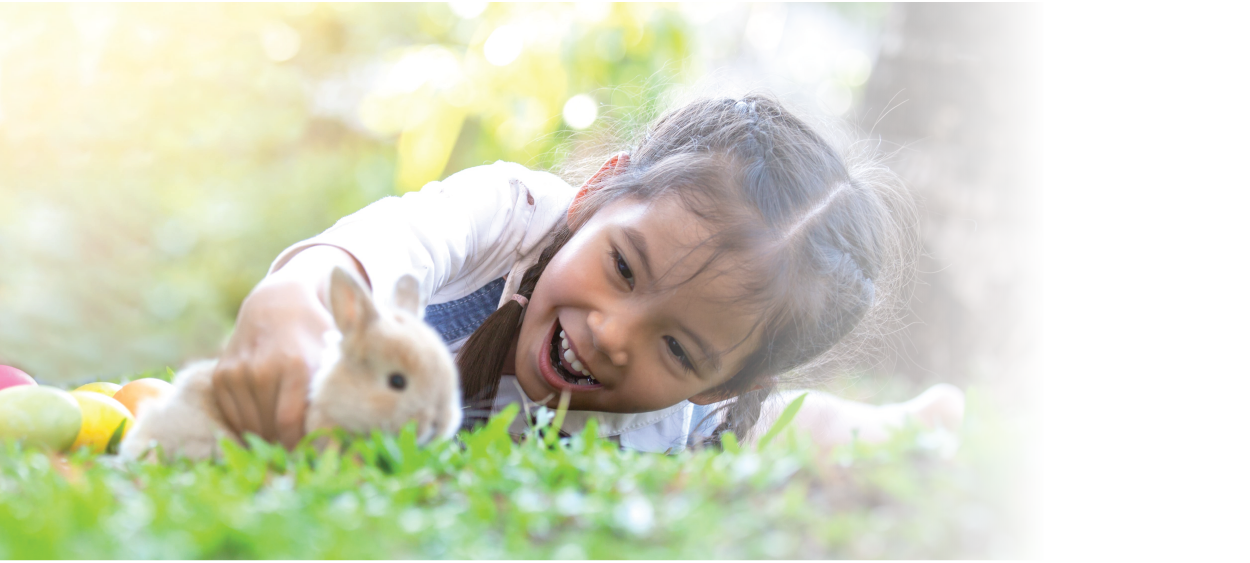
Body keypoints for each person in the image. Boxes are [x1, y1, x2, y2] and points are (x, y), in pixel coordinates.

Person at [210, 94, 965, 454]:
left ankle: (892, 426)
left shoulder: (688, 420)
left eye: (678, 349)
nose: (610, 334)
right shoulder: (509, 214)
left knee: (779, 434)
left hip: (705, 424)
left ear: (716, 382)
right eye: (623, 267)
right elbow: (367, 252)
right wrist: (292, 308)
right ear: (597, 193)